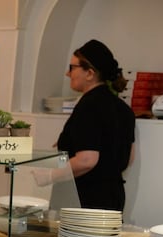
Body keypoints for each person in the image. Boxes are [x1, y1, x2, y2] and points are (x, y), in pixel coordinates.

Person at [54, 39, 136, 212]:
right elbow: (129, 158)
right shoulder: (123, 108)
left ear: (90, 73)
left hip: (85, 200)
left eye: (72, 67)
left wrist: (48, 176)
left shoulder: (89, 105)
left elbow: (86, 160)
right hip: (113, 198)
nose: (68, 74)